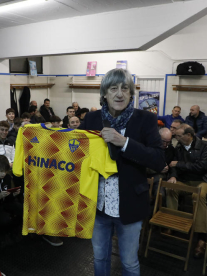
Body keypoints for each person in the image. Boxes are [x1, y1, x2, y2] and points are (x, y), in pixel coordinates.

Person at [79, 68, 165, 275]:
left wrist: (125, 143)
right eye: (114, 88)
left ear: (131, 94)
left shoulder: (145, 119)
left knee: (129, 263)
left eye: (125, 89)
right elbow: (76, 153)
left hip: (130, 204)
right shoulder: (91, 119)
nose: (119, 94)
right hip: (98, 204)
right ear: (104, 94)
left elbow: (158, 160)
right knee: (99, 258)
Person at [166, 124, 207, 258]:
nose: (175, 137)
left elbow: (202, 167)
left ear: (189, 135)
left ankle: (201, 237)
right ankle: (173, 223)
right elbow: (173, 166)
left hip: (203, 180)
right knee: (170, 188)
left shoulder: (205, 146)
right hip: (185, 179)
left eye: (178, 135)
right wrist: (173, 176)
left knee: (198, 194)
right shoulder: (179, 147)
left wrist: (179, 164)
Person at [147, 128, 175, 197]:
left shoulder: (170, 149)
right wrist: (158, 168)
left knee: (160, 194)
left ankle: (157, 207)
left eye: (168, 142)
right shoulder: (148, 146)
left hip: (160, 177)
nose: (165, 144)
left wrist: (173, 176)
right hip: (146, 174)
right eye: (163, 141)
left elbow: (173, 165)